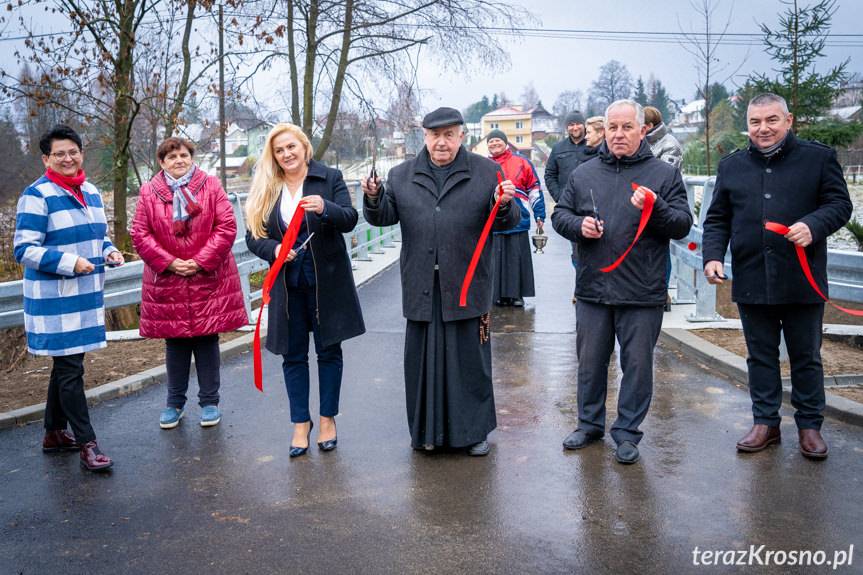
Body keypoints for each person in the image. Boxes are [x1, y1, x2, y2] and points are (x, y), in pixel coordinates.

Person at [702, 93, 852, 460]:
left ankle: (810, 426)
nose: (763, 128)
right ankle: (765, 423)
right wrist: (712, 257)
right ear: (748, 125)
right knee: (760, 356)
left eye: (771, 120)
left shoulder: (818, 159)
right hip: (753, 276)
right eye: (755, 122)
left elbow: (840, 205)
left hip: (802, 279)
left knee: (806, 356)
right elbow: (717, 218)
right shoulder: (732, 166)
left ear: (789, 121)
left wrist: (813, 225)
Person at [362, 107, 518, 456]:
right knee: (423, 363)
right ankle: (426, 433)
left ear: (462, 136)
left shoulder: (486, 172)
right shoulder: (401, 175)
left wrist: (504, 204)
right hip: (421, 285)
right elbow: (384, 216)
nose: (442, 142)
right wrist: (373, 197)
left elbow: (506, 220)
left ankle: (473, 432)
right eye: (435, 135)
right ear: (425, 136)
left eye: (449, 135)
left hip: (467, 284)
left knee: (469, 363)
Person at [551, 100, 692, 464]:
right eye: (612, 127)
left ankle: (627, 432)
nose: (618, 134)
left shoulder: (662, 174)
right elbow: (560, 215)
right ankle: (589, 423)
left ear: (642, 130)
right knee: (590, 362)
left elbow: (681, 225)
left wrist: (656, 206)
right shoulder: (584, 173)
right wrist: (578, 227)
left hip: (642, 289)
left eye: (626, 127)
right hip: (593, 288)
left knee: (637, 365)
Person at [245, 123, 365, 457]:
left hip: (327, 282)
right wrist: (275, 251)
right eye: (279, 150)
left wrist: (326, 209)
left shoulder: (330, 178)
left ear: (304, 146)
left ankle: (327, 420)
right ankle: (301, 423)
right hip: (288, 286)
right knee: (292, 355)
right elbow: (253, 236)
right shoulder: (268, 187)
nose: (286, 154)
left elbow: (350, 218)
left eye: (291, 147)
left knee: (329, 352)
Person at [14, 124, 125, 472]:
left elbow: (98, 237)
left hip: (85, 294)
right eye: (59, 153)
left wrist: (109, 251)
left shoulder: (90, 191)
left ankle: (53, 433)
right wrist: (68, 262)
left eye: (72, 151)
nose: (67, 158)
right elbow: (24, 249)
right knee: (70, 370)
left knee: (65, 367)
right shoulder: (37, 194)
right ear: (47, 159)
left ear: (81, 154)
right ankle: (87, 444)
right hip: (56, 300)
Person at [132, 137, 247, 430]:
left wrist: (199, 260)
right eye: (171, 157)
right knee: (176, 342)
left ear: (191, 157)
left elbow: (226, 226)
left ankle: (210, 403)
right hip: (168, 279)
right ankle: (174, 403)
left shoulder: (210, 186)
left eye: (183, 155)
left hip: (206, 277)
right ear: (162, 162)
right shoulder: (148, 193)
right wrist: (169, 262)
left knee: (207, 340)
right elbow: (141, 234)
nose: (178, 161)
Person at [485, 129, 545, 307]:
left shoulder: (522, 162)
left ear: (505, 143)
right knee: (493, 259)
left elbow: (534, 189)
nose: (494, 144)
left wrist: (539, 214)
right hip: (492, 221)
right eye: (491, 141)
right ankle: (494, 295)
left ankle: (516, 295)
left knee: (515, 258)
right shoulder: (482, 165)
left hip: (518, 219)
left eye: (498, 141)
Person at [545, 111, 596, 303]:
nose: (575, 128)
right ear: (566, 127)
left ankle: (590, 285)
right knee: (576, 249)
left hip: (591, 204)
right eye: (571, 125)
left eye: (578, 124)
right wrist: (560, 197)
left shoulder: (593, 147)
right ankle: (580, 285)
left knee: (593, 246)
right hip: (570, 207)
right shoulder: (559, 148)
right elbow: (550, 174)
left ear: (584, 125)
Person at [643, 106, 684, 312]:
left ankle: (662, 291)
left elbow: (666, 175)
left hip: (662, 204)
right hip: (642, 202)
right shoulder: (643, 142)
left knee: (661, 247)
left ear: (648, 126)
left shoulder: (669, 144)